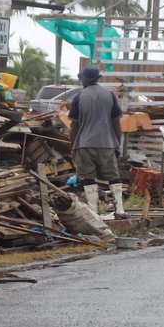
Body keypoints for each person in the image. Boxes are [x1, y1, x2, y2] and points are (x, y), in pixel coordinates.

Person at [68, 66, 126, 220]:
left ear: (83, 80)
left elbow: (74, 126)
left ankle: (94, 212)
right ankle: (120, 209)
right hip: (106, 143)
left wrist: (73, 146)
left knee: (88, 178)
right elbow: (116, 123)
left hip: (84, 144)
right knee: (113, 177)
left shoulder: (78, 98)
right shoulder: (110, 96)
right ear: (97, 79)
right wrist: (117, 143)